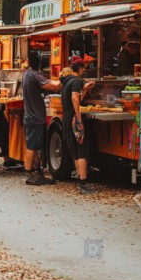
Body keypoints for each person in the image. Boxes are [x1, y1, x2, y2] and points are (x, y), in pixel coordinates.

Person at [22, 51, 60, 185]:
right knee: (32, 147)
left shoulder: (26, 74)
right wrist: (65, 80)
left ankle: (37, 172)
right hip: (35, 116)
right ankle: (30, 174)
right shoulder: (35, 75)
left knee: (34, 146)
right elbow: (52, 86)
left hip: (30, 115)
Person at [60, 55, 97, 195]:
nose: (84, 71)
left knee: (74, 150)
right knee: (81, 149)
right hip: (73, 117)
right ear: (80, 68)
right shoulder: (76, 81)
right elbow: (75, 97)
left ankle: (80, 181)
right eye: (84, 69)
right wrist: (79, 116)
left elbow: (77, 96)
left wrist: (86, 89)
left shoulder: (66, 81)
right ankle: (84, 183)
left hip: (66, 116)